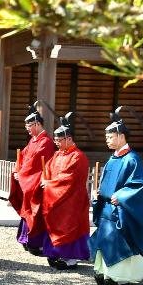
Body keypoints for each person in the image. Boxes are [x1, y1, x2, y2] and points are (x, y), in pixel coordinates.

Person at [90, 108, 143, 285]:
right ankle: (104, 271)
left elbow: (140, 186)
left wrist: (122, 195)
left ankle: (120, 276)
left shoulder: (132, 159)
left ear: (120, 136)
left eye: (110, 137)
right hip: (107, 208)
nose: (107, 140)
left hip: (120, 210)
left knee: (119, 241)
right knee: (104, 239)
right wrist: (99, 193)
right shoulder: (113, 159)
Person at [29, 113, 91, 270]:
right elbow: (47, 170)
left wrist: (49, 184)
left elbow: (69, 179)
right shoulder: (57, 154)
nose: (56, 143)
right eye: (55, 140)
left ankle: (71, 258)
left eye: (59, 140)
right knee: (54, 225)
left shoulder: (79, 157)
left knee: (70, 227)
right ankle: (55, 253)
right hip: (55, 197)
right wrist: (45, 181)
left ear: (69, 139)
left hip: (72, 200)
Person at [9, 103, 56, 256]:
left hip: (38, 183)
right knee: (28, 211)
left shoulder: (46, 142)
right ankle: (27, 239)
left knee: (36, 213)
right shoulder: (33, 141)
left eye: (29, 125)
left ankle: (37, 243)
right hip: (29, 181)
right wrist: (17, 171)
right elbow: (23, 157)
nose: (27, 128)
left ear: (37, 124)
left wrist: (21, 174)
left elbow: (35, 165)